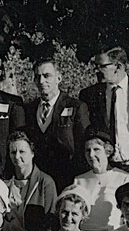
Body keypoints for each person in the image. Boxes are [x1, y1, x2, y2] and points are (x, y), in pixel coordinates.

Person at [78, 47, 129, 178]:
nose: (96, 71)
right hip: (105, 168)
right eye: (96, 66)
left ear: (118, 67)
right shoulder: (89, 95)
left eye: (102, 66)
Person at [24, 57, 91, 189]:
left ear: (58, 78)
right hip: (38, 181)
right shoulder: (29, 109)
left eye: (47, 76)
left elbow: (83, 145)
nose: (42, 81)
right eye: (38, 77)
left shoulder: (76, 106)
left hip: (67, 178)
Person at [71, 127, 129, 231]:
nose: (91, 155)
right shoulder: (79, 180)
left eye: (96, 149)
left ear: (107, 151)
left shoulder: (125, 178)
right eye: (87, 150)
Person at [3, 129, 57, 231]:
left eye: (22, 152)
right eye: (13, 152)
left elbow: (51, 221)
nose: (17, 156)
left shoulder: (45, 182)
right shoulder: (5, 183)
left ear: (32, 153)